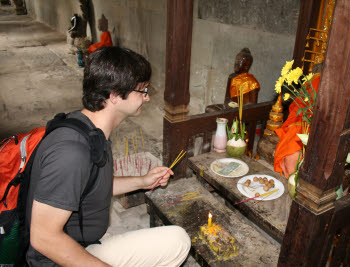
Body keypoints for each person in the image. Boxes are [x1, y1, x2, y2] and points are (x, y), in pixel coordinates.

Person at [25, 47, 191, 266]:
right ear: (114, 95)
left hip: (86, 241)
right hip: (59, 259)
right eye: (143, 90)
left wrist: (142, 181)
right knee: (177, 241)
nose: (148, 97)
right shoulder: (71, 153)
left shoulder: (88, 128)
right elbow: (44, 238)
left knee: (174, 241)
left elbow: (92, 186)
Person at [274, 70, 350, 178]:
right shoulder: (327, 71)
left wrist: (319, 147)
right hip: (306, 134)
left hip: (335, 147)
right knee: (289, 153)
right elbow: (301, 113)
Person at [206, 48, 260, 112]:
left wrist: (239, 108)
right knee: (209, 109)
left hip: (242, 111)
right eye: (235, 62)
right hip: (230, 107)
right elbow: (227, 98)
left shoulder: (252, 82)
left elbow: (252, 105)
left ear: (246, 66)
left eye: (239, 62)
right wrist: (228, 105)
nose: (236, 64)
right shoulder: (232, 77)